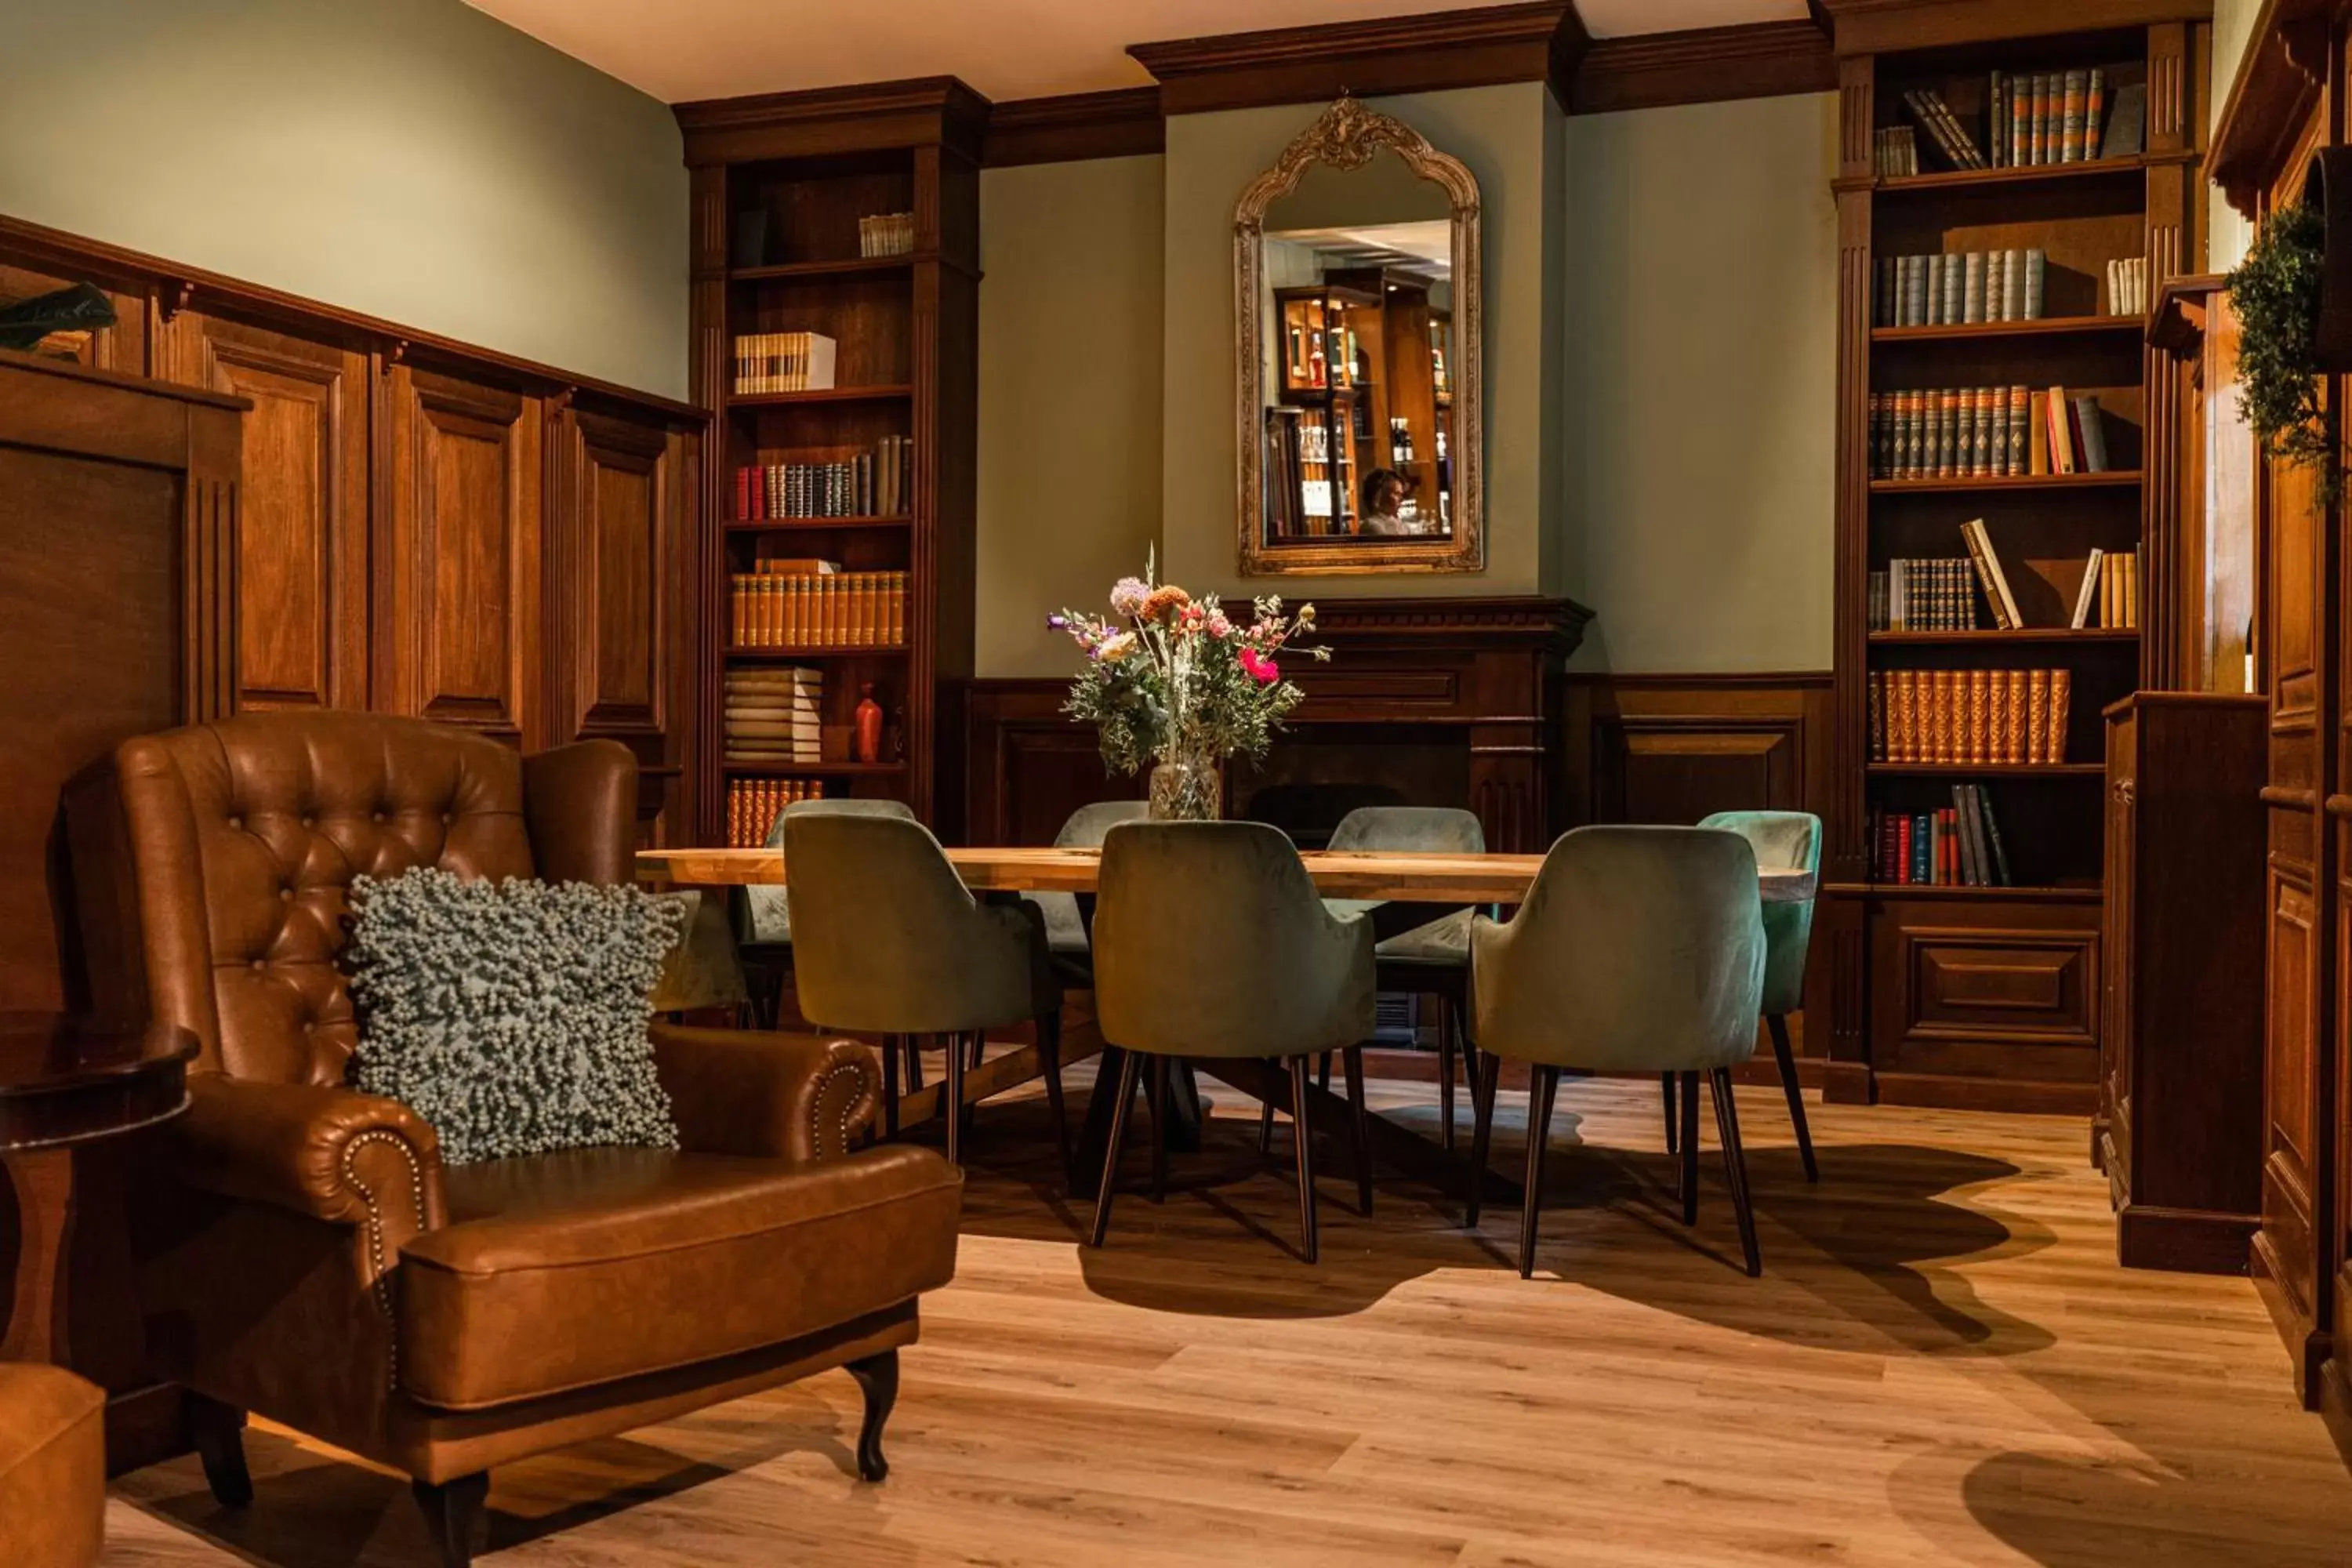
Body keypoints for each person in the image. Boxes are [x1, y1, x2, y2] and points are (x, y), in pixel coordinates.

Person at [1357, 467, 1421, 536]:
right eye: (1397, 494)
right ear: (1378, 496)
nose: (1401, 499)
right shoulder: (1372, 526)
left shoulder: (1398, 523)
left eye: (1401, 494)